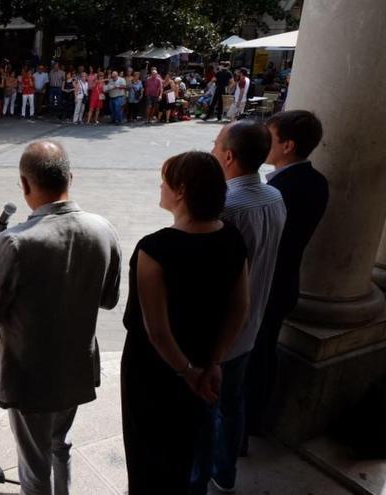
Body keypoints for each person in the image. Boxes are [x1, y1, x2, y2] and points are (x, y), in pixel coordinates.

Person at [0, 140, 121, 495]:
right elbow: (109, 299)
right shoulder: (103, 229)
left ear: (25, 184)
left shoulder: (14, 242)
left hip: (29, 377)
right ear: (70, 178)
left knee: (34, 467)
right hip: (76, 367)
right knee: (61, 444)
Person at [122, 151, 250, 494]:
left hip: (155, 371)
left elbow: (157, 331)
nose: (160, 186)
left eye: (164, 180)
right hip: (204, 353)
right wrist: (213, 362)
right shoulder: (232, 238)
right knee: (184, 447)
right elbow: (241, 307)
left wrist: (187, 371)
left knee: (147, 451)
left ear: (180, 190)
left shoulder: (155, 249)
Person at [190, 122, 285, 494]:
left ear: (228, 156)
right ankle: (225, 473)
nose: (212, 150)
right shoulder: (275, 197)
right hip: (252, 323)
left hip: (219, 335)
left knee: (205, 411)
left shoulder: (225, 209)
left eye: (215, 145)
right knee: (232, 402)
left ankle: (198, 478)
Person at [245, 110, 329, 437]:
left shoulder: (276, 192)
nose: (264, 143)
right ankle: (255, 417)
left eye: (271, 137)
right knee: (264, 351)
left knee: (254, 356)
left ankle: (248, 422)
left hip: (266, 285)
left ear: (288, 146)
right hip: (286, 283)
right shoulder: (316, 181)